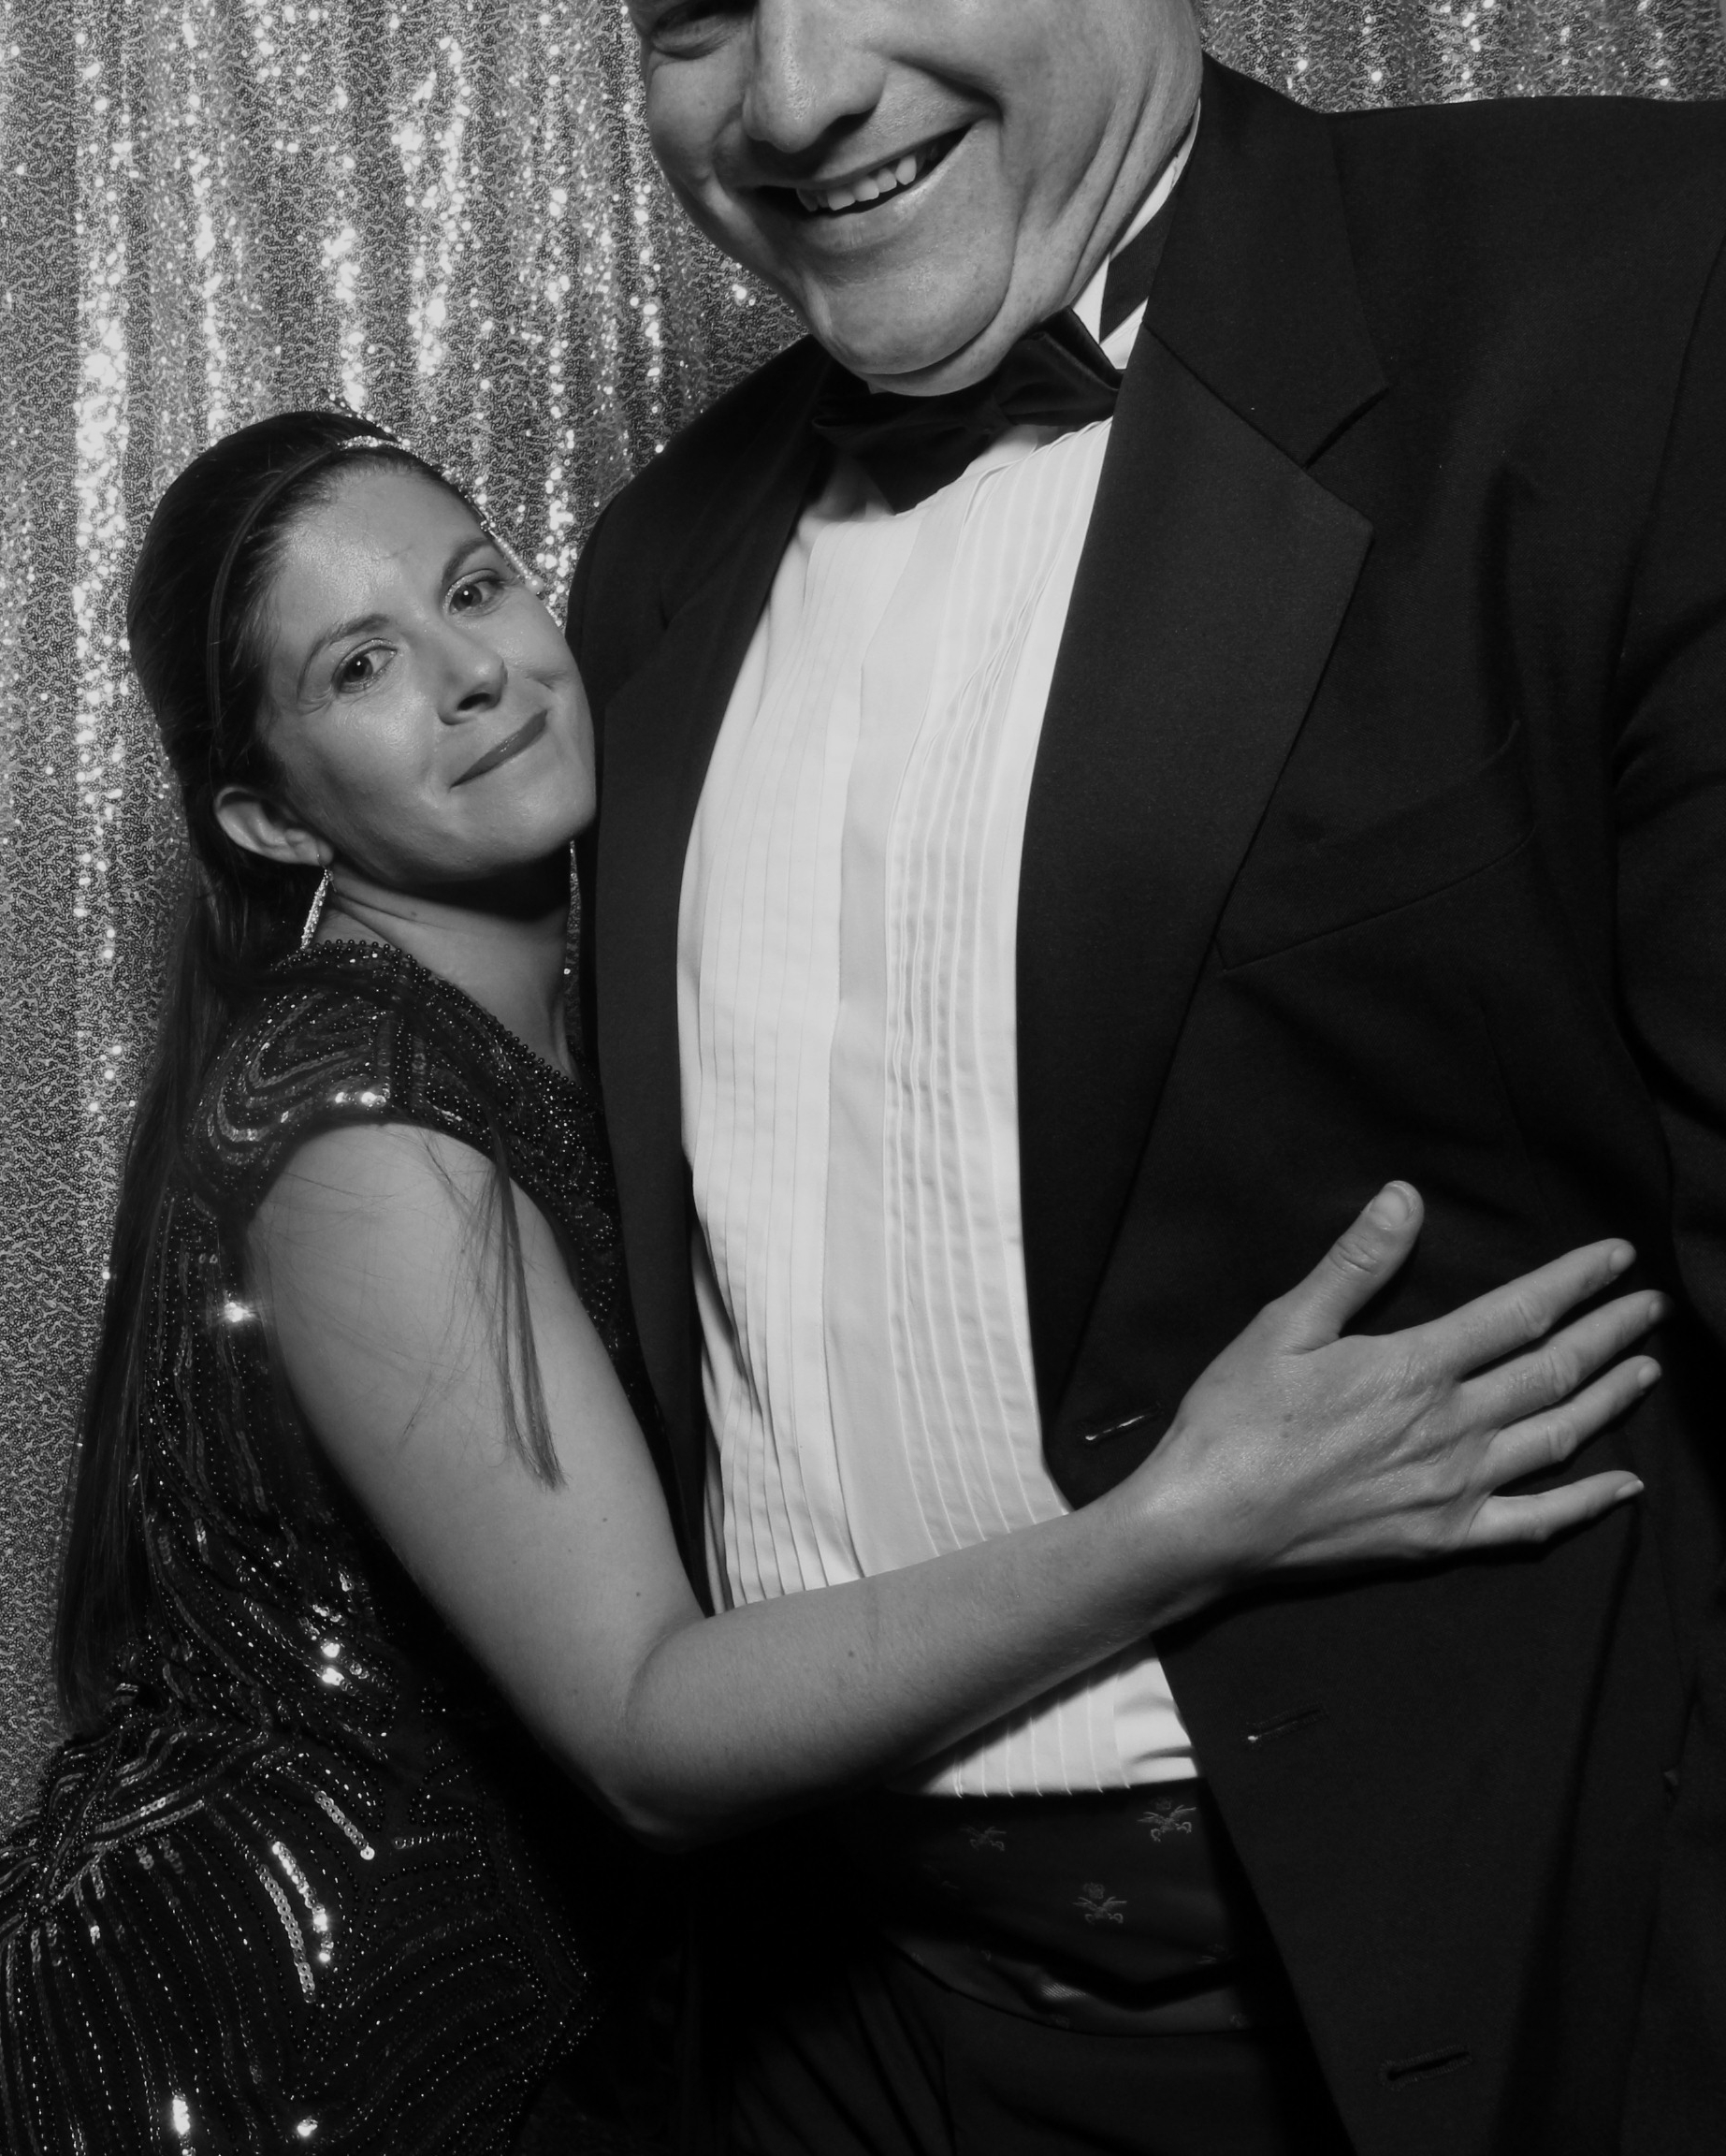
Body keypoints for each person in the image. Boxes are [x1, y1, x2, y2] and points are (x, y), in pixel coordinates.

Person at [0, 409, 1660, 2155]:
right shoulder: (358, 1124)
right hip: (288, 2042)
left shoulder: (595, 1001)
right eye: (361, 667)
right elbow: (643, 1728)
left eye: (475, 587)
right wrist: (1195, 1517)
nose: (473, 675)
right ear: (270, 817)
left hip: (524, 2009)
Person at [568, 5, 1726, 2150]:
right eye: (698, 15)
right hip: (826, 2040)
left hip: (1488, 2023)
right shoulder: (649, 570)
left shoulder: (1628, 285)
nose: (794, 95)